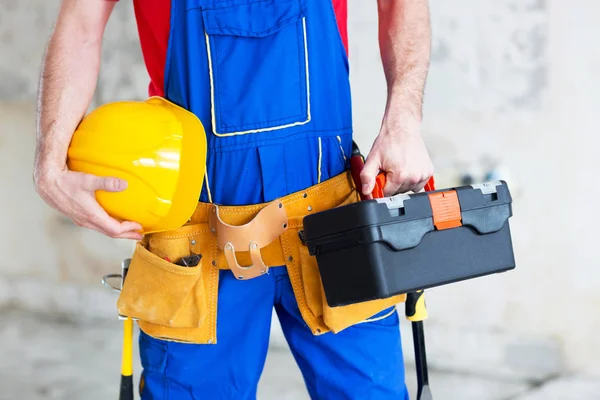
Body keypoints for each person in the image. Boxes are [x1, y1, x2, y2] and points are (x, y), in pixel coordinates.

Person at [33, 0, 434, 398]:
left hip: (334, 229)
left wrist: (404, 121)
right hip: (198, 245)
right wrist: (50, 164)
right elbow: (81, 22)